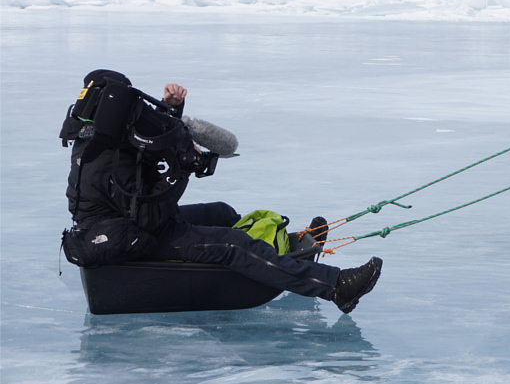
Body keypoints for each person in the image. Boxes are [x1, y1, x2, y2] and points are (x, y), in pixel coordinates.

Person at [63, 69, 381, 314]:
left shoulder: (103, 141)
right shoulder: (104, 161)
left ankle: (283, 249)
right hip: (128, 236)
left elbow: (149, 160)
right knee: (233, 245)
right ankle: (336, 287)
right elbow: (148, 217)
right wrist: (183, 170)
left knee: (221, 213)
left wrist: (173, 113)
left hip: (126, 222)